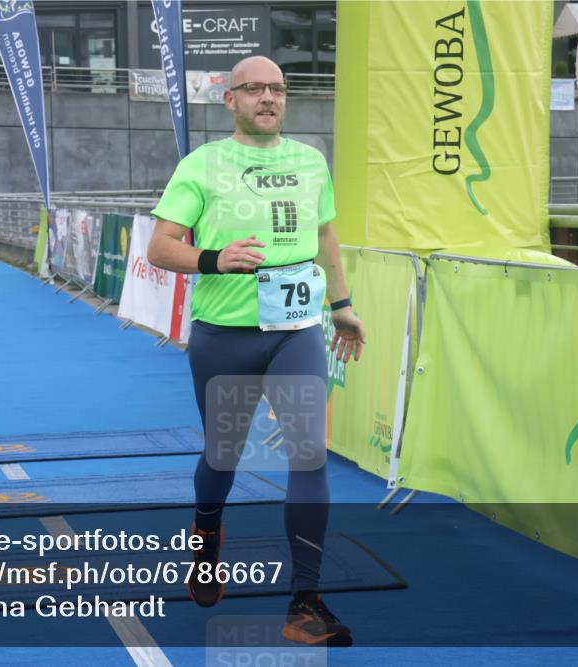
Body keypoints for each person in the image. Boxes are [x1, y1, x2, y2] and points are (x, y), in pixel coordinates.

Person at [147, 55, 365, 647]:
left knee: (309, 455)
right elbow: (160, 247)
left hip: (296, 333)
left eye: (277, 89)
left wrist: (341, 305)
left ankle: (304, 601)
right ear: (230, 100)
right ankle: (208, 533)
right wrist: (215, 259)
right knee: (223, 455)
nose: (268, 98)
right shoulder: (203, 165)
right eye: (254, 89)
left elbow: (324, 236)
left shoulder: (310, 160)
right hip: (225, 336)